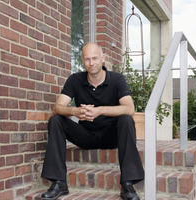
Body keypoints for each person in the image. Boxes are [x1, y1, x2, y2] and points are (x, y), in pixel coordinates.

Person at [41, 42, 144, 200]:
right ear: (82, 60)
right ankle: (59, 183)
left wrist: (99, 110)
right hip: (86, 136)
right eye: (87, 59)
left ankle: (128, 184)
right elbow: (57, 107)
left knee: (126, 119)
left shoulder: (117, 79)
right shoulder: (75, 80)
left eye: (95, 58)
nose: (91, 63)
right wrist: (75, 111)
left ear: (102, 58)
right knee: (56, 120)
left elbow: (130, 108)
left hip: (111, 136)